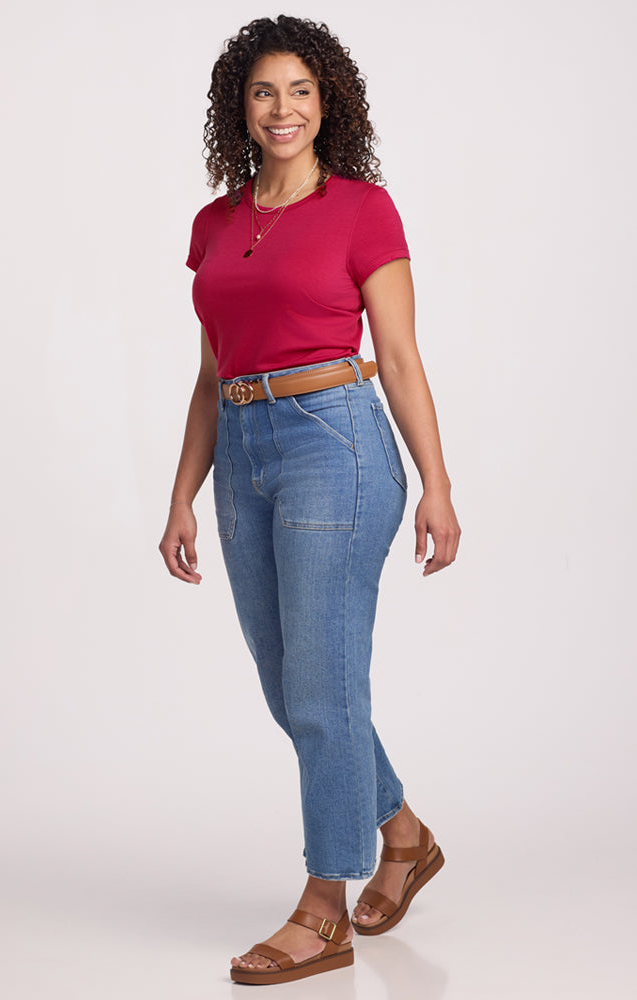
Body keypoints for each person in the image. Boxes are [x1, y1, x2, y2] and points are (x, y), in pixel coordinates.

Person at [159, 14, 461, 986]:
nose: (281, 108)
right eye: (262, 92)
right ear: (237, 111)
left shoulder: (362, 209)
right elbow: (211, 375)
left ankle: (325, 904)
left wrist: (438, 485)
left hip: (337, 441)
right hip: (245, 448)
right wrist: (180, 497)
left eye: (298, 90)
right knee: (293, 688)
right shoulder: (214, 224)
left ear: (327, 103)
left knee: (322, 693)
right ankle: (402, 835)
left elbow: (402, 357)